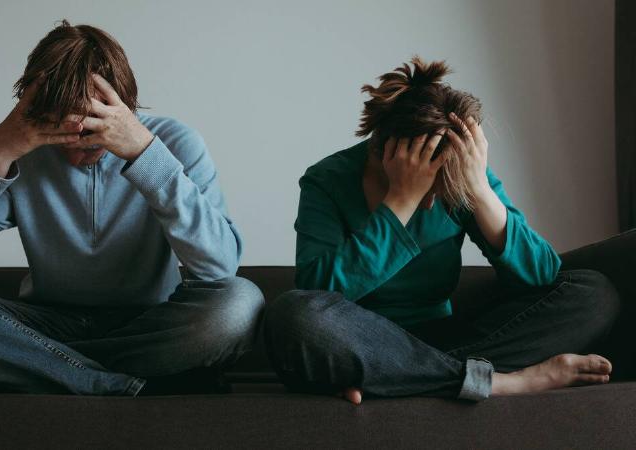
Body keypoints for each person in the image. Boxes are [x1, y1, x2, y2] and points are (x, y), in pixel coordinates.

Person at [0, 20, 264, 396]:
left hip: (148, 324)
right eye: (64, 138)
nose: (77, 155)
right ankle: (107, 382)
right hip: (43, 326)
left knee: (240, 304)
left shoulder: (175, 143)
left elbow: (218, 269)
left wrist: (146, 157)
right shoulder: (21, 151)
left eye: (93, 139)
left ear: (124, 108)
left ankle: (43, 371)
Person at [263, 57, 621, 404]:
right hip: (360, 342)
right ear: (384, 152)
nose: (436, 197)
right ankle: (500, 383)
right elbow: (316, 291)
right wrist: (400, 203)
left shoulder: (460, 170)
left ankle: (404, 380)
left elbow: (541, 276)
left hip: (444, 342)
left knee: (594, 293)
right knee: (293, 317)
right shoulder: (328, 179)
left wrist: (479, 191)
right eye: (430, 180)